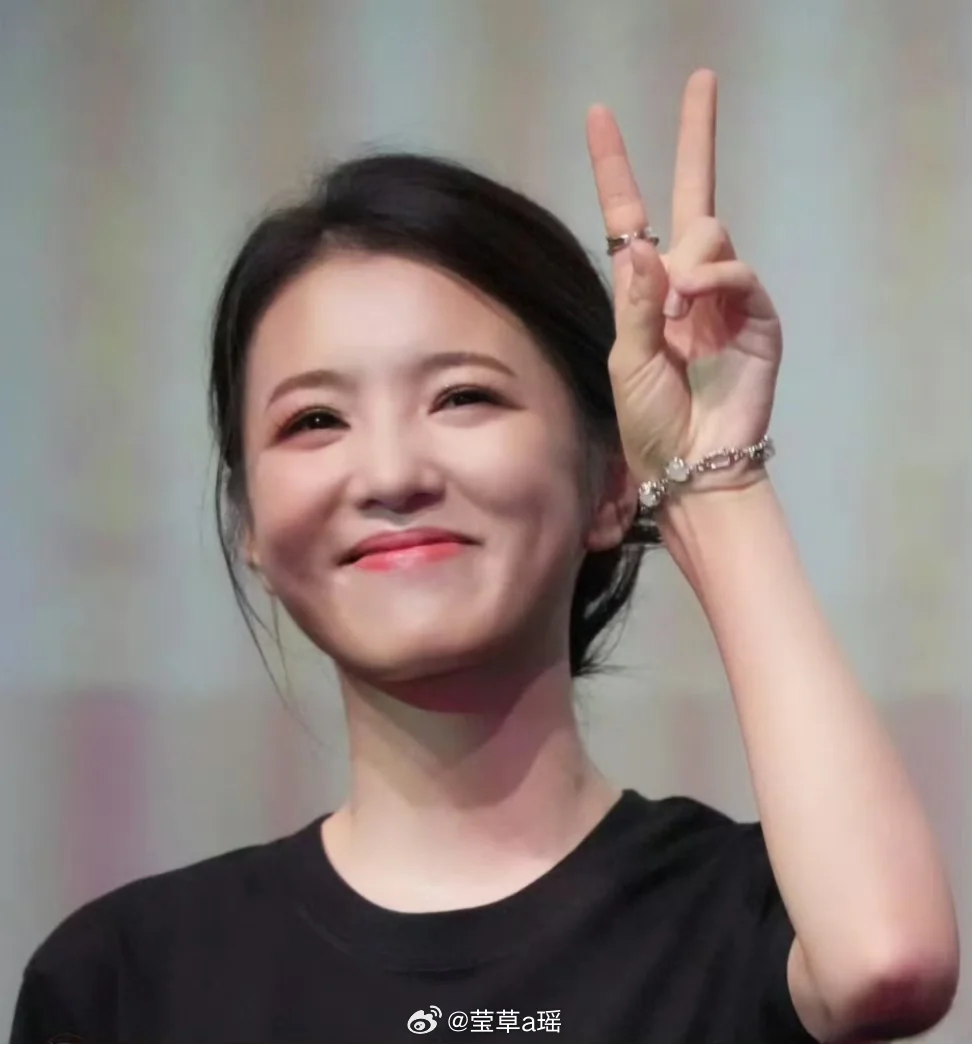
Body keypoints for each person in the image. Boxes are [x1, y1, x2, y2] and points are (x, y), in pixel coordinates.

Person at [10, 69, 959, 1044]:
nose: (390, 473)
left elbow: (888, 966)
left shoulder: (742, 919)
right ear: (249, 521)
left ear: (609, 482)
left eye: (462, 397)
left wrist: (713, 478)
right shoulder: (124, 982)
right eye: (315, 419)